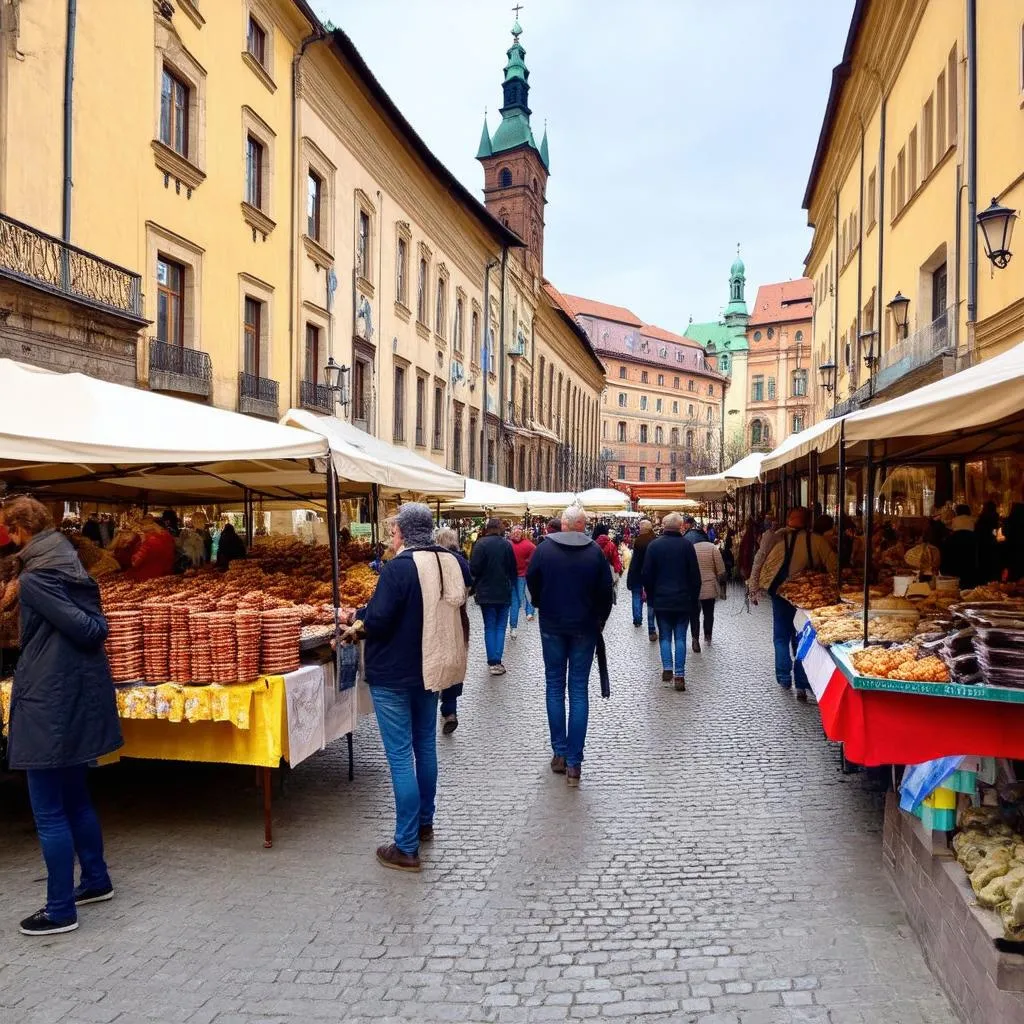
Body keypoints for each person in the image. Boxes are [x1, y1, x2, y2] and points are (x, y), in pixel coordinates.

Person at [0, 497, 122, 936]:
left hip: (49, 700)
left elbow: (90, 628)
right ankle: (96, 879)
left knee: (48, 808)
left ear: (18, 530)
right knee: (74, 796)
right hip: (70, 694)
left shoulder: (37, 578)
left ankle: (60, 908)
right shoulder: (69, 561)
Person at [351, 503, 469, 872]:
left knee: (401, 756)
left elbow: (380, 621)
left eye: (394, 529)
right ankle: (425, 823)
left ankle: (405, 846)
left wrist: (359, 617)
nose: (391, 535)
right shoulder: (448, 561)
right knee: (425, 746)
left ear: (402, 531)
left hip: (395, 673)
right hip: (431, 668)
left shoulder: (399, 567)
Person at [526, 506, 613, 787]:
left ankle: (559, 753)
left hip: (552, 625)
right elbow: (605, 593)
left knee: (554, 686)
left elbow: (532, 583)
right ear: (583, 525)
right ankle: (575, 763)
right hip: (584, 628)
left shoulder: (544, 550)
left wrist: (542, 603)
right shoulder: (595, 553)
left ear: (563, 525)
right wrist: (599, 619)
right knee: (578, 691)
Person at [756, 507, 838, 701]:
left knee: (781, 636)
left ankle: (784, 678)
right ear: (808, 522)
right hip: (810, 597)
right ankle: (802, 682)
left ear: (789, 519)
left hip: (782, 594)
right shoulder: (818, 541)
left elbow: (763, 562)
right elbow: (834, 568)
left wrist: (755, 586)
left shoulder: (778, 539)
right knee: (804, 636)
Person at [642, 512, 702, 691]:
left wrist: (652, 597)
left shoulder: (654, 546)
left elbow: (646, 575)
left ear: (664, 525)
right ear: (680, 526)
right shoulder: (687, 546)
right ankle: (680, 675)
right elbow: (695, 576)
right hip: (683, 600)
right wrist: (693, 597)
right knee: (681, 637)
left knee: (666, 636)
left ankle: (668, 667)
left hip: (661, 600)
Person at [433, 527, 471, 735]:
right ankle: (449, 710)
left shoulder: (428, 561)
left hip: (433, 619)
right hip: (457, 619)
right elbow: (469, 586)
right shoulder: (460, 561)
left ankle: (429, 709)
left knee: (433, 661)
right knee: (453, 662)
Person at [469, 517, 517, 675]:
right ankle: (497, 660)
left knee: (489, 626)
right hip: (503, 591)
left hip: (486, 592)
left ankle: (492, 661)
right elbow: (512, 569)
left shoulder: (480, 544)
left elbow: (474, 569)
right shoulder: (506, 545)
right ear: (500, 528)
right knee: (501, 626)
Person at [691, 531, 726, 649]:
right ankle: (707, 635)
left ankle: (695, 638)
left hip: (694, 586)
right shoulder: (713, 548)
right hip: (710, 585)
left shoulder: (691, 548)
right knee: (709, 612)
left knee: (694, 614)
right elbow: (721, 570)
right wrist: (722, 587)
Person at [626, 518, 657, 639]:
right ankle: (651, 626)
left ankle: (637, 620)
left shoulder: (638, 541)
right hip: (651, 574)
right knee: (651, 600)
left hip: (637, 574)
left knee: (636, 596)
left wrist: (630, 576)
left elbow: (635, 561)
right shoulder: (654, 540)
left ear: (642, 529)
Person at [123, 517, 176, 581]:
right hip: (166, 574)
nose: (140, 527)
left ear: (152, 525)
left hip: (148, 576)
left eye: (142, 525)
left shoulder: (150, 540)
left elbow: (135, 562)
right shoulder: (167, 536)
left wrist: (142, 541)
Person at [507, 524, 536, 636]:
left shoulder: (507, 544)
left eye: (518, 532)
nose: (516, 534)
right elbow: (534, 558)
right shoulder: (529, 545)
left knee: (517, 600)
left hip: (515, 576)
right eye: (515, 531)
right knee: (525, 595)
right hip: (520, 575)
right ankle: (528, 612)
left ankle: (513, 627)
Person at [941, 504, 980, 587]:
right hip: (971, 572)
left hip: (954, 573)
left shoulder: (950, 538)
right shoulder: (975, 536)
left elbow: (945, 559)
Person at [975, 500, 1001, 585]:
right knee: (993, 569)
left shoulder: (981, 519)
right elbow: (995, 532)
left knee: (984, 568)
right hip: (993, 546)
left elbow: (977, 533)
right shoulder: (995, 519)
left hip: (982, 546)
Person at [1003, 503, 1024, 582]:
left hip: (1011, 549)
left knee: (1013, 573)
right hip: (1021, 549)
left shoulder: (1009, 521)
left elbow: (1005, 532)